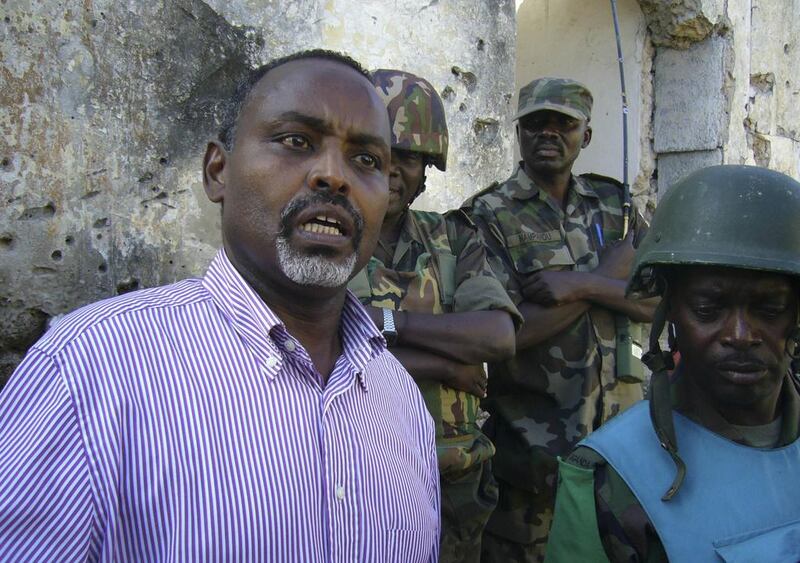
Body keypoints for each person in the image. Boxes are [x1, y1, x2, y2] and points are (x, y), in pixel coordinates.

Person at [0, 50, 440, 562]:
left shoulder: (402, 400)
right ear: (217, 172)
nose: (332, 176)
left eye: (365, 160)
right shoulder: (86, 370)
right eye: (296, 141)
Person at [546, 164, 800, 562]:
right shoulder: (608, 474)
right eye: (708, 308)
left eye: (769, 308)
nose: (740, 334)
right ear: (672, 315)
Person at [461, 77, 656, 562]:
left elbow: (663, 302)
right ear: (520, 134)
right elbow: (504, 333)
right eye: (535, 124)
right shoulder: (486, 216)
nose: (549, 133)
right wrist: (612, 284)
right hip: (534, 465)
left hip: (624, 458)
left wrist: (583, 284)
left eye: (563, 124)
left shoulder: (618, 207)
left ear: (585, 135)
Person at [349, 68, 521, 562]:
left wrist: (384, 325)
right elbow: (316, 357)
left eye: (407, 156)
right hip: (356, 480)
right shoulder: (325, 238)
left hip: (454, 483)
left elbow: (496, 336)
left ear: (428, 168)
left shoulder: (453, 238)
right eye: (374, 153)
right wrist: (446, 365)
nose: (391, 169)